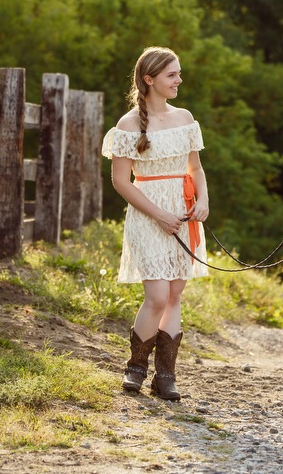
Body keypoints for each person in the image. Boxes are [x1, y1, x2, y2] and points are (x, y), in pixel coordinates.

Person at [101, 46, 209, 401]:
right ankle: (135, 367)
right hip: (149, 215)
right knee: (157, 295)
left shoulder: (185, 118)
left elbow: (195, 168)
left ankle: (166, 377)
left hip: (183, 211)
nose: (179, 80)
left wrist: (203, 200)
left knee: (175, 293)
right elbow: (120, 181)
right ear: (149, 80)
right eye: (172, 75)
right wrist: (159, 214)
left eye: (178, 73)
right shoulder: (128, 125)